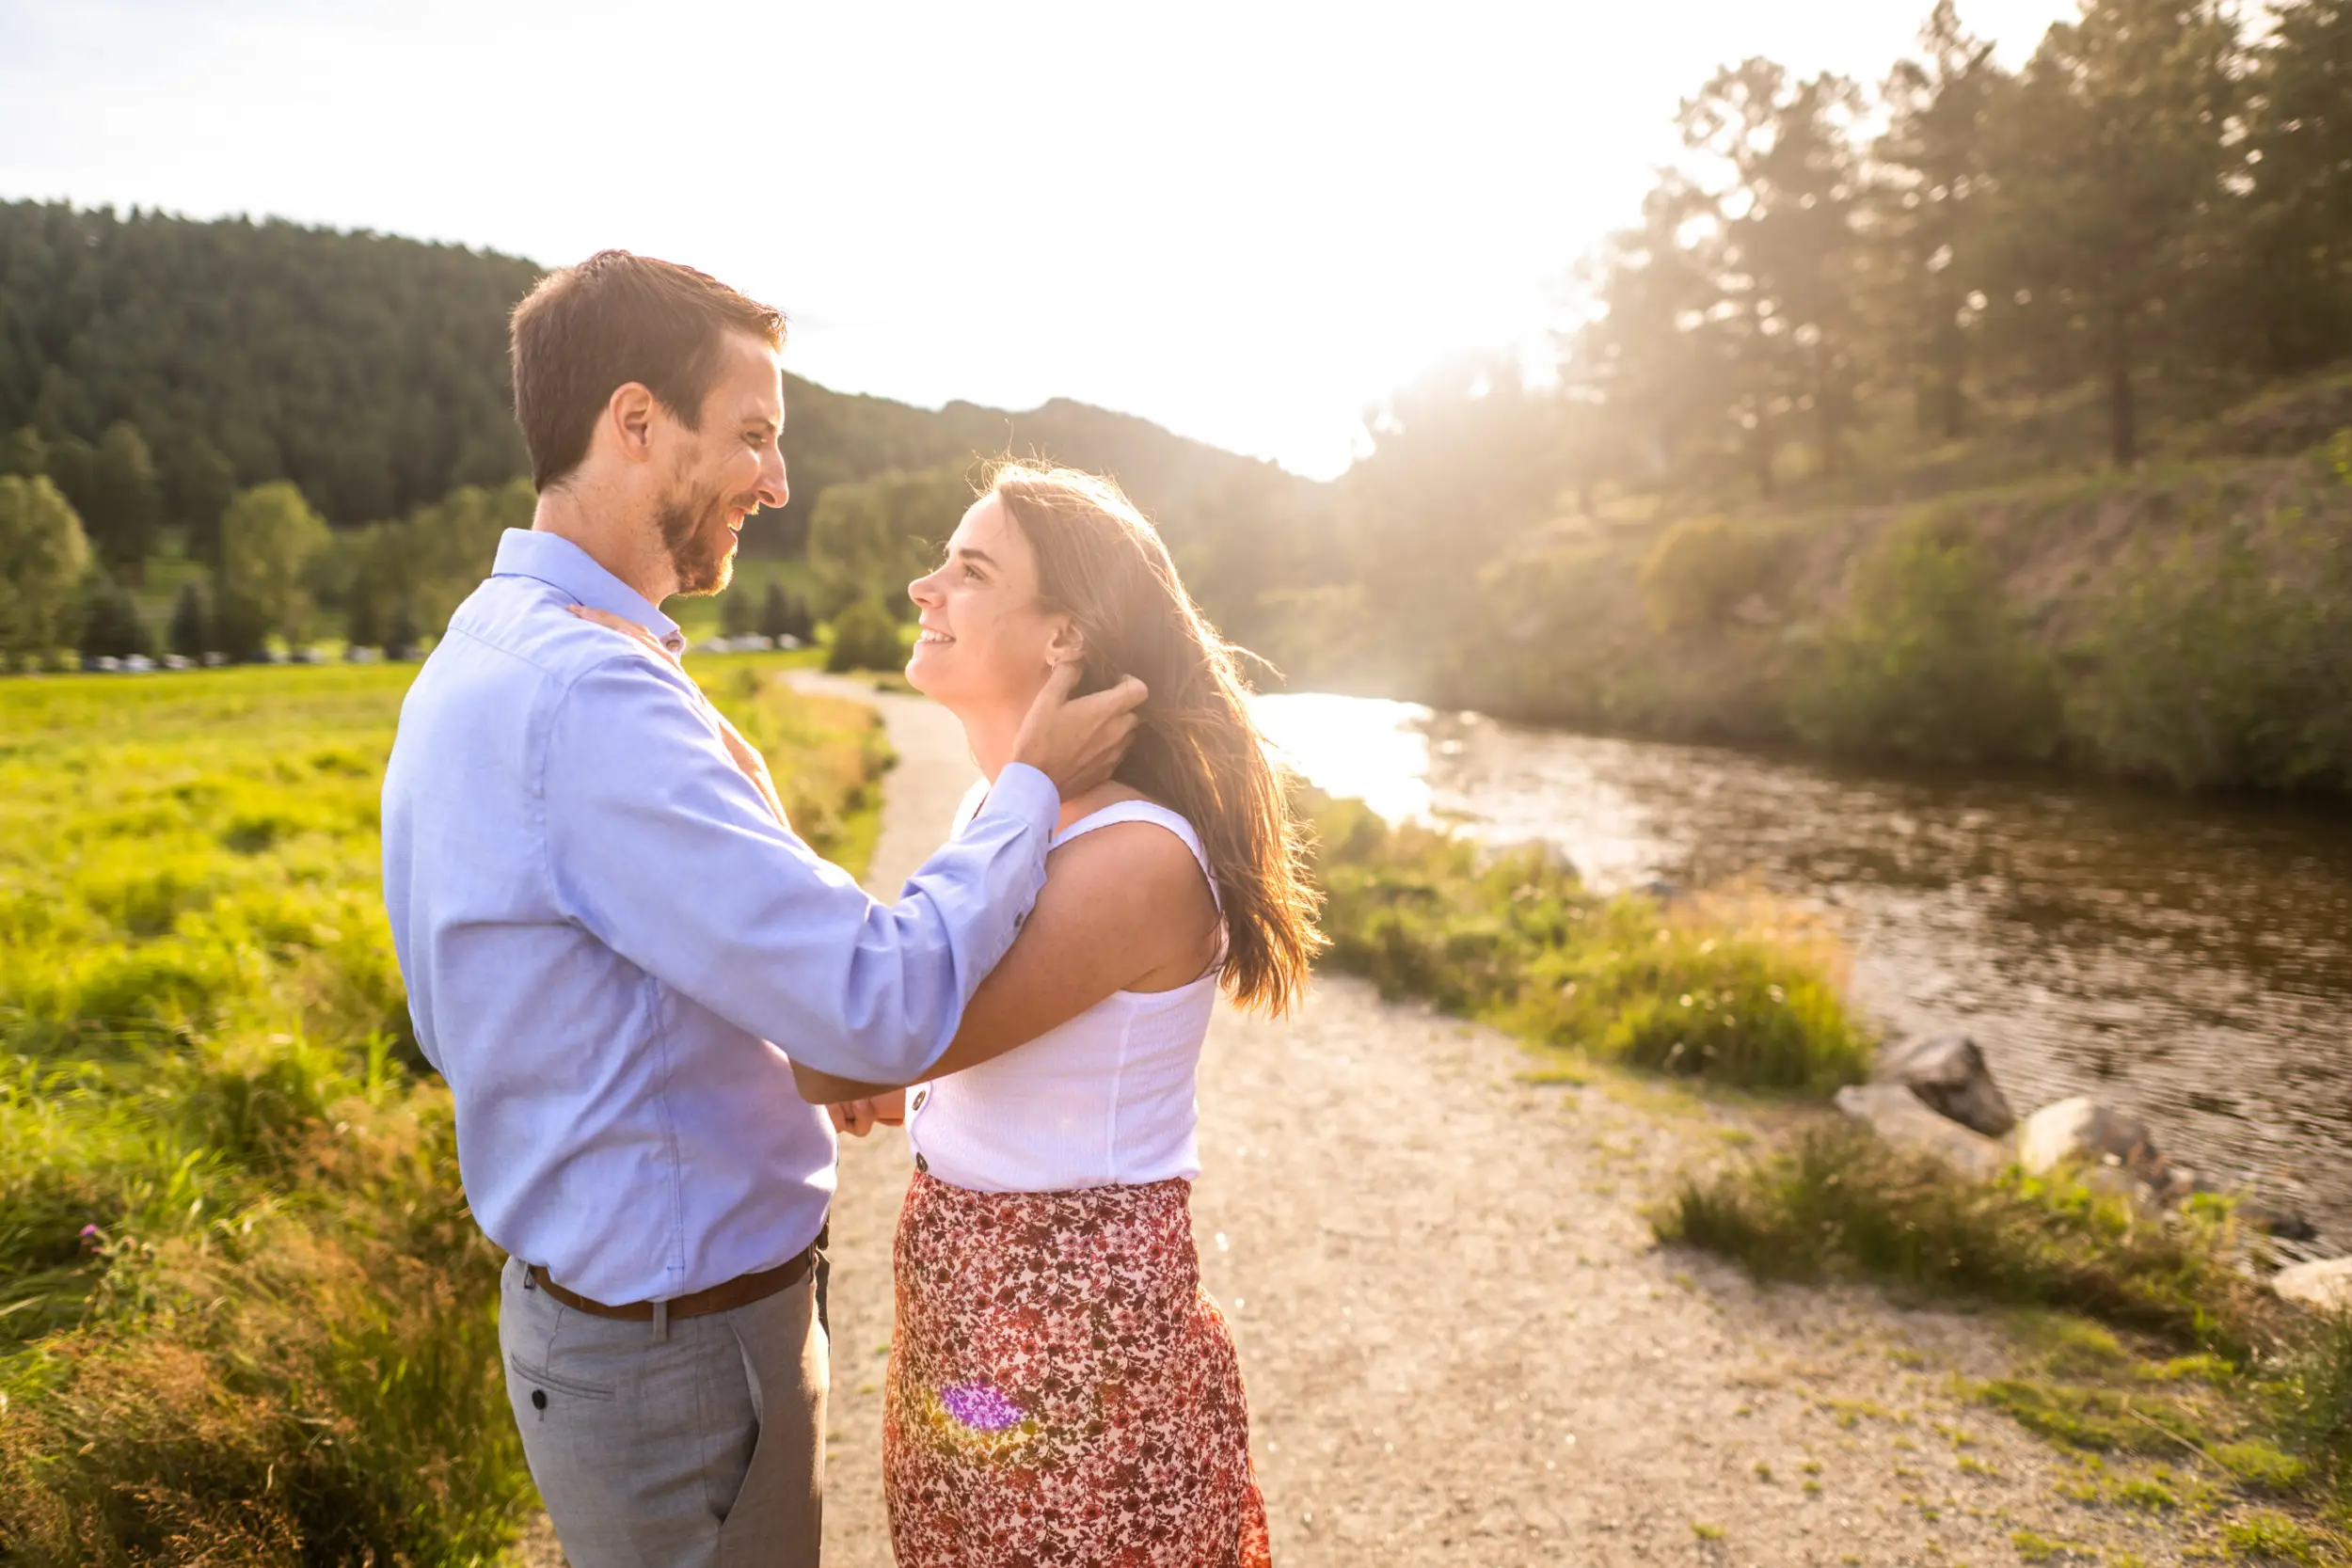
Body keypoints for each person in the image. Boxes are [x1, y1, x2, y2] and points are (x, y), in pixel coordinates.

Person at [378, 252, 1143, 1568]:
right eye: (751, 434)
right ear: (633, 421)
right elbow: (883, 1001)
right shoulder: (592, 702)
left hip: (611, 1326)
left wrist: (754, 1048)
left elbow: (486, 1016)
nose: (775, 481)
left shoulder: (488, 649)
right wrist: (1027, 791)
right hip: (675, 1354)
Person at [791, 463, 1323, 1567]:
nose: (920, 585)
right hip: (969, 1305)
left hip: (1077, 1335)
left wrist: (883, 1054)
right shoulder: (996, 808)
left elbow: (845, 1046)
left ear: (1064, 640)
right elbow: (945, 1038)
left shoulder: (1134, 857)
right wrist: (925, 1078)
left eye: (969, 568)